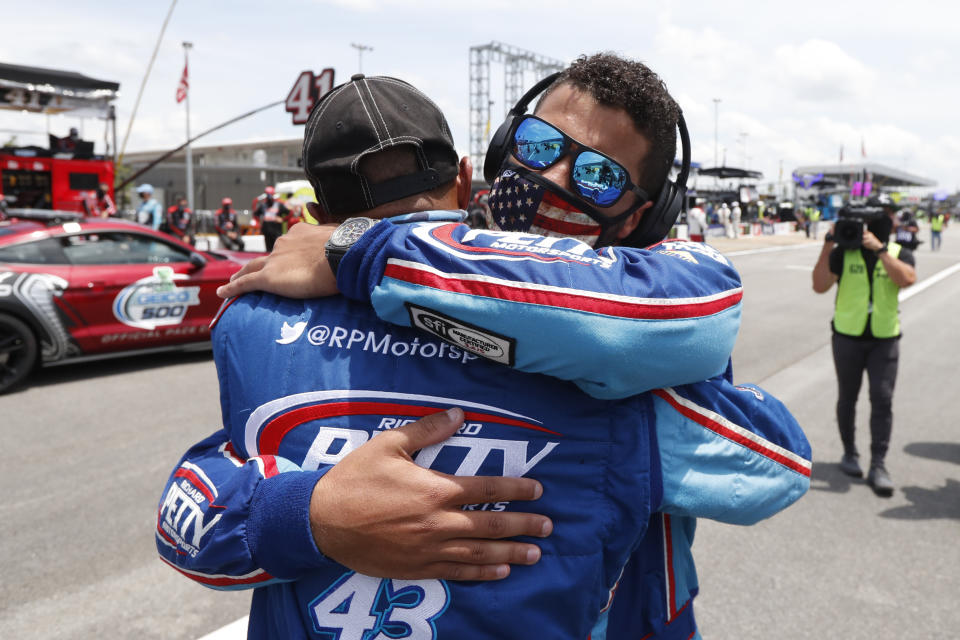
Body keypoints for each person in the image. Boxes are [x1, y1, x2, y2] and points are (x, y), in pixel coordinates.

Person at [160, 66, 809, 639]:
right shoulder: (389, 285)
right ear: (493, 156)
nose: (553, 177)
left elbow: (677, 338)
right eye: (539, 146)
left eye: (597, 175)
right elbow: (198, 501)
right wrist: (312, 514)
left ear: (645, 212)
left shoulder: (663, 277)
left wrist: (361, 247)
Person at [812, 200, 916, 496]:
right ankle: (850, 453)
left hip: (884, 339)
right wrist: (828, 245)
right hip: (847, 337)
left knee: (882, 399)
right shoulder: (843, 254)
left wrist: (880, 250)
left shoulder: (899, 253)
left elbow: (907, 279)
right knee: (848, 397)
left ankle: (879, 464)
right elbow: (819, 286)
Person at [253, 186, 290, 251]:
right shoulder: (263, 205)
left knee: (277, 249)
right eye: (268, 195)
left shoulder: (279, 204)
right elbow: (255, 214)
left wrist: (283, 219)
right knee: (268, 250)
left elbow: (289, 213)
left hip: (277, 231)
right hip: (266, 231)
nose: (269, 197)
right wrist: (260, 221)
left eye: (271, 194)